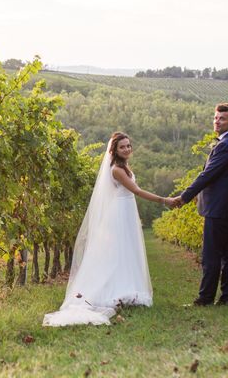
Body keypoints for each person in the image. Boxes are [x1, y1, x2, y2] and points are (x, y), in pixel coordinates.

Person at [43, 132, 173, 327]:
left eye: (129, 145)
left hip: (126, 209)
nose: (127, 149)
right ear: (114, 150)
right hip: (119, 213)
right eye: (122, 147)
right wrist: (164, 200)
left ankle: (128, 289)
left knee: (127, 252)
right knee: (116, 253)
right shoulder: (116, 170)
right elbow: (136, 190)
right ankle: (114, 292)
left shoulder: (125, 166)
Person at [170, 103, 228, 306]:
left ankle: (205, 299)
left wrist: (184, 196)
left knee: (211, 255)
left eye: (222, 118)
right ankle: (226, 297)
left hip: (219, 209)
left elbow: (207, 175)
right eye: (215, 117)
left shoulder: (227, 145)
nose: (217, 121)